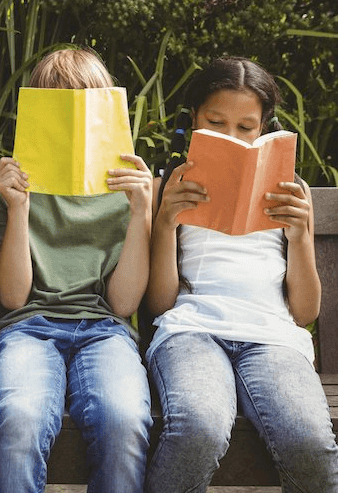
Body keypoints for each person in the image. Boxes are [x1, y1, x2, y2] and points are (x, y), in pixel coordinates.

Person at [144, 56, 338, 492]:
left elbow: (304, 310)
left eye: (246, 128)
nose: (230, 137)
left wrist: (301, 236)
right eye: (215, 123)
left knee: (310, 441)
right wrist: (164, 224)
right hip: (191, 330)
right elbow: (159, 304)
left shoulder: (291, 192)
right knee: (198, 427)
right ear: (193, 117)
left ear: (265, 128)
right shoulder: (169, 187)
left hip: (271, 337)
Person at [0, 47, 153, 493]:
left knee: (125, 419)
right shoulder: (14, 183)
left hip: (104, 328)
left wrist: (141, 213)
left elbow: (122, 303)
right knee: (19, 419)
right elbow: (11, 298)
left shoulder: (124, 187)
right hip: (28, 327)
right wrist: (18, 209)